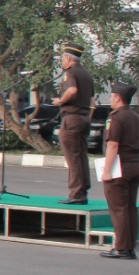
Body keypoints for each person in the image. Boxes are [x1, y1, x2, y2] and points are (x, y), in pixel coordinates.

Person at [98, 82, 139, 260]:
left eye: (111, 95)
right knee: (130, 208)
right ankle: (129, 246)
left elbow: (113, 145)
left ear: (117, 97)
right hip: (134, 165)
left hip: (120, 167)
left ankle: (122, 247)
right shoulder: (136, 117)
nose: (110, 98)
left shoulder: (116, 118)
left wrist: (107, 171)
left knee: (119, 209)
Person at [54, 43, 95, 204]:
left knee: (73, 157)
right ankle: (83, 189)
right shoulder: (86, 74)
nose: (62, 61)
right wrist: (87, 117)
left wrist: (60, 100)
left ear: (68, 58)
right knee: (81, 155)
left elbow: (71, 91)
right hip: (84, 117)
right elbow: (92, 101)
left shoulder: (70, 73)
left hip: (72, 117)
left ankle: (76, 193)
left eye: (63, 58)